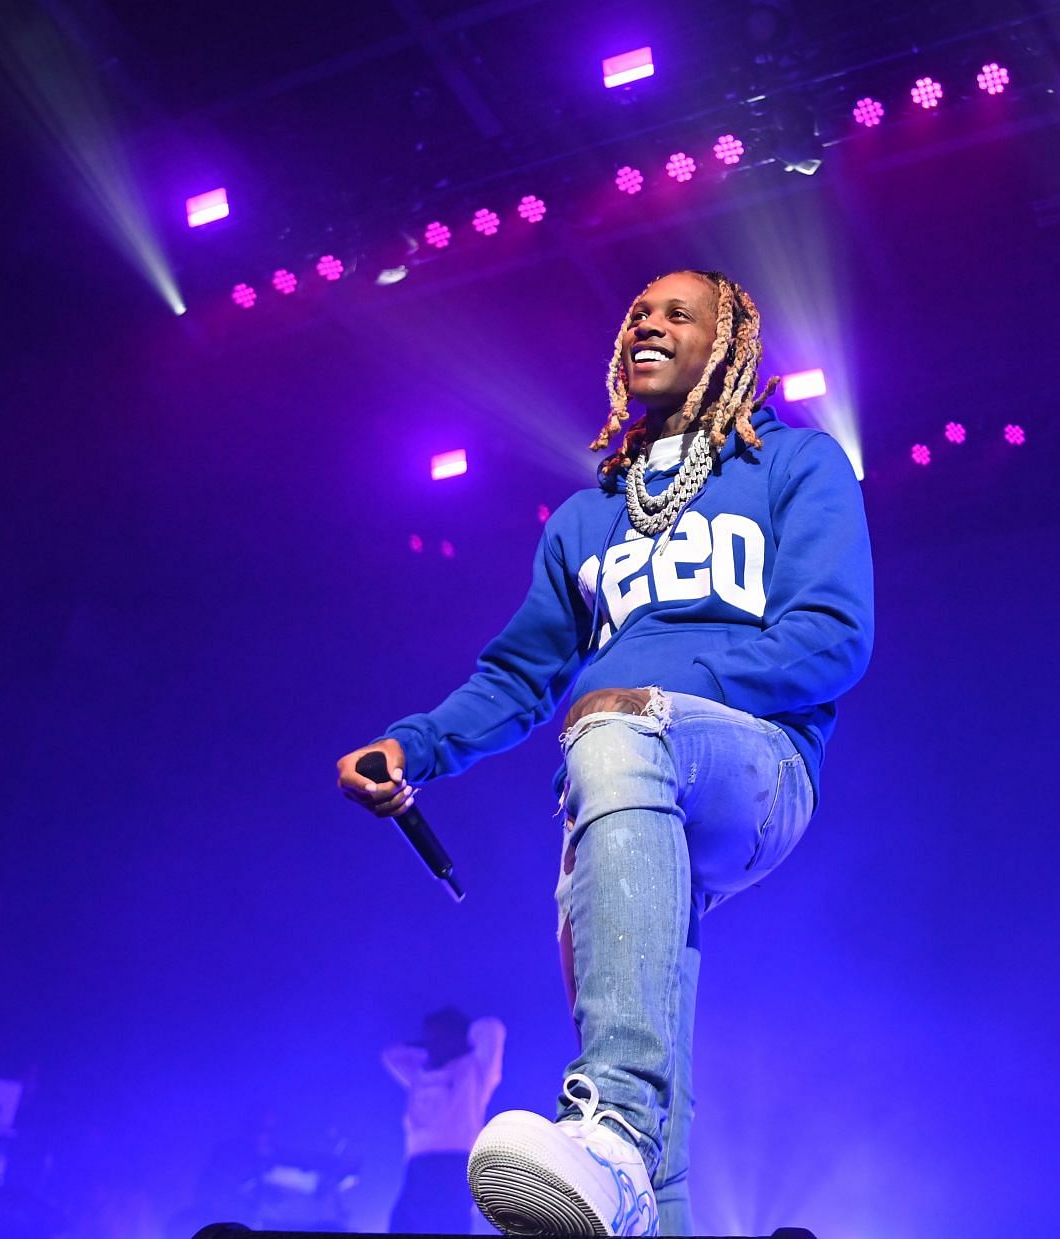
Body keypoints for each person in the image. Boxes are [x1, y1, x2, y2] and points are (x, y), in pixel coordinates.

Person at [335, 269, 873, 1236]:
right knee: (649, 1068)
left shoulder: (797, 465)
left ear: (734, 347)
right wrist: (412, 743)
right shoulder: (587, 519)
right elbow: (517, 673)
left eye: (680, 315)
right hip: (613, 787)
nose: (649, 327)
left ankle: (612, 1116)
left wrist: (656, 695)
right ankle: (637, 1160)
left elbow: (833, 635)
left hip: (752, 771)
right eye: (636, 315)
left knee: (616, 728)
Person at [382, 1007, 505, 1233]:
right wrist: (431, 1047)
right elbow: (392, 1055)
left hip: (455, 1162)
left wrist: (458, 1040)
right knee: (403, 1226)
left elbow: (492, 1028)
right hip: (417, 1163)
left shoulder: (474, 1070)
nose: (433, 1041)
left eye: (438, 1035)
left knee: (447, 1226)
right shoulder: (421, 1074)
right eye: (429, 1036)